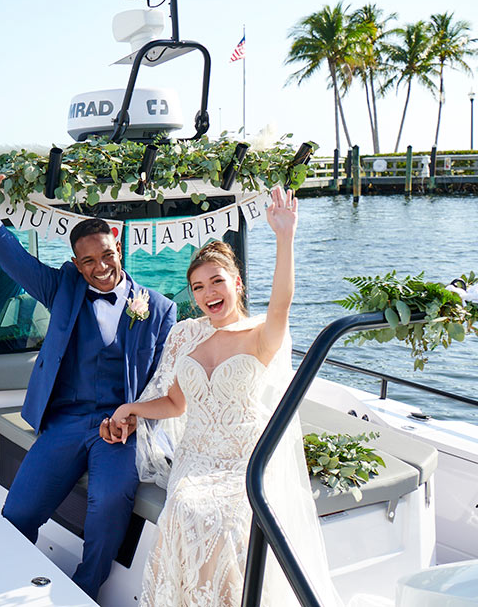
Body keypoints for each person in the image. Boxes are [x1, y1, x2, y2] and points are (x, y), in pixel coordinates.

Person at [0, 148, 177, 599]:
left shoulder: (159, 308)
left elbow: (162, 378)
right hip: (66, 421)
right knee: (19, 511)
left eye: (107, 255)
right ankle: (12, 581)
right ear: (77, 264)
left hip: (122, 426)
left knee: (111, 500)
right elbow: (17, 262)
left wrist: (132, 416)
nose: (101, 268)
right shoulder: (64, 287)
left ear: (117, 243)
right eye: (89, 262)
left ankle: (85, 590)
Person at [102, 187, 340, 606]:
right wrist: (131, 408)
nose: (208, 293)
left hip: (243, 459)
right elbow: (175, 403)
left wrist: (285, 238)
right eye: (197, 287)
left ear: (237, 283)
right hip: (196, 457)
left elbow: (283, 302)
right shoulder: (185, 335)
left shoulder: (261, 334)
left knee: (230, 524)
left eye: (216, 281)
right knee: (184, 511)